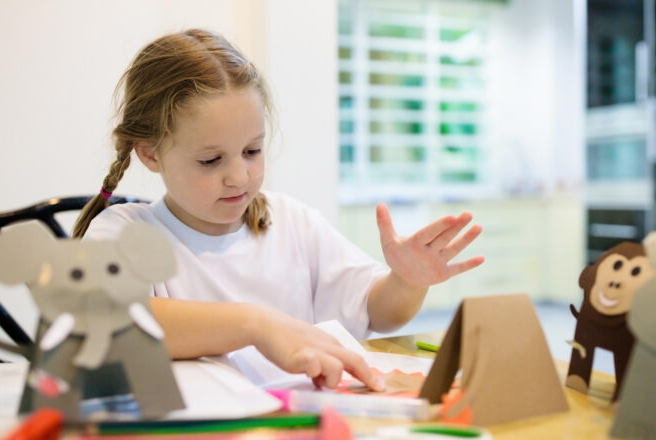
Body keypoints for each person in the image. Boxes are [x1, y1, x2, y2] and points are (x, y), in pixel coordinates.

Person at [73, 29, 484, 391]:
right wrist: (257, 325)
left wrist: (407, 282)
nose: (239, 176)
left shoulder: (294, 223)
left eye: (252, 151)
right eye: (211, 160)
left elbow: (381, 313)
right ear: (150, 154)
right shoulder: (125, 234)